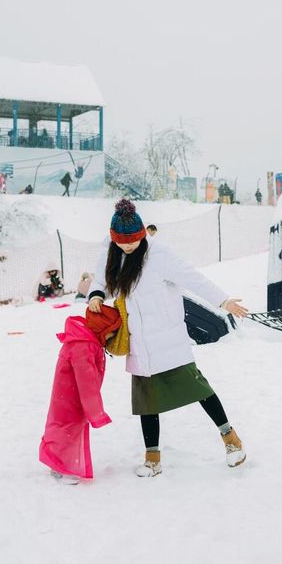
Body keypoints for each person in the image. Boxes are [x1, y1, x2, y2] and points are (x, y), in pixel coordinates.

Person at [88, 199, 248, 478]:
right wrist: (96, 295)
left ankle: (231, 439)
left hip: (168, 340)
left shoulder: (159, 255)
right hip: (140, 343)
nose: (127, 246)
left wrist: (223, 301)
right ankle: (152, 458)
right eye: (121, 242)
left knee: (200, 390)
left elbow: (193, 279)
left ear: (141, 235)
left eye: (132, 241)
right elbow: (99, 280)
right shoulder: (112, 254)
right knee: (146, 402)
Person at [39, 303, 122, 483]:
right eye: (111, 332)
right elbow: (87, 382)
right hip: (71, 395)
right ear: (102, 328)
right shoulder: (84, 345)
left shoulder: (86, 340)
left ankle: (60, 464)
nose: (111, 337)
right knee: (67, 427)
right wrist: (96, 411)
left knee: (67, 426)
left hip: (69, 394)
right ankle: (59, 467)